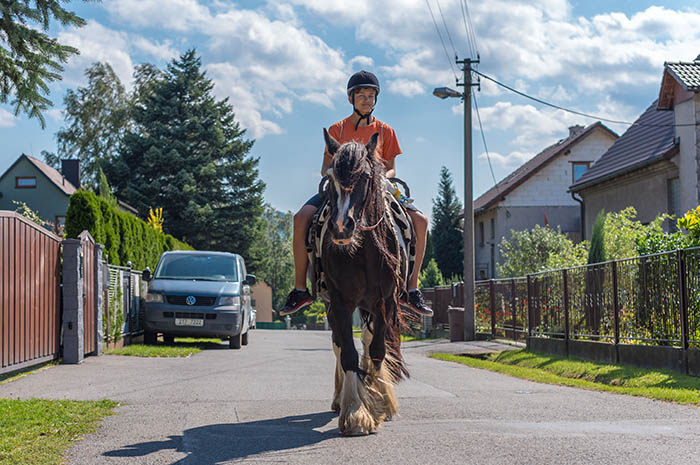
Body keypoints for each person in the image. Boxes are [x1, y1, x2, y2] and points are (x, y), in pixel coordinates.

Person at [279, 70, 433, 317]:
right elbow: (324, 169)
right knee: (301, 218)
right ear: (351, 98)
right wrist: (343, 176)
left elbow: (392, 167)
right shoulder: (337, 129)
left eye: (371, 96)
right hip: (340, 188)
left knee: (421, 221)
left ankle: (411, 289)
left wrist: (379, 177)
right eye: (361, 95)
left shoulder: (386, 131)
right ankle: (300, 289)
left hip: (378, 186)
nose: (367, 100)